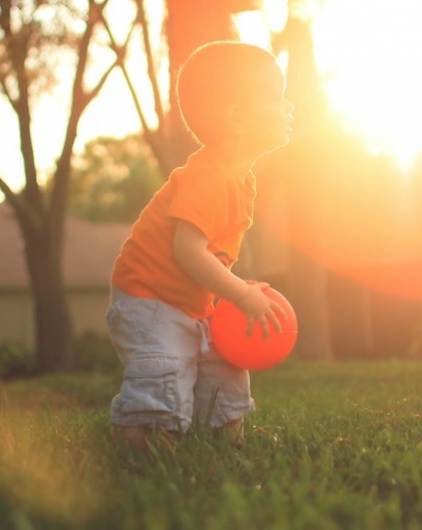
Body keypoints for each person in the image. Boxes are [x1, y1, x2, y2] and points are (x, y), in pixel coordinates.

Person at [106, 41, 294, 451]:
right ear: (238, 119)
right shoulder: (210, 175)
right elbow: (187, 252)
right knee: (166, 367)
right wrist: (240, 292)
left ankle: (226, 438)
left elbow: (206, 257)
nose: (288, 106)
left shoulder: (238, 177)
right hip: (149, 296)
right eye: (276, 96)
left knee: (223, 362)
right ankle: (144, 438)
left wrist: (230, 292)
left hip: (188, 299)